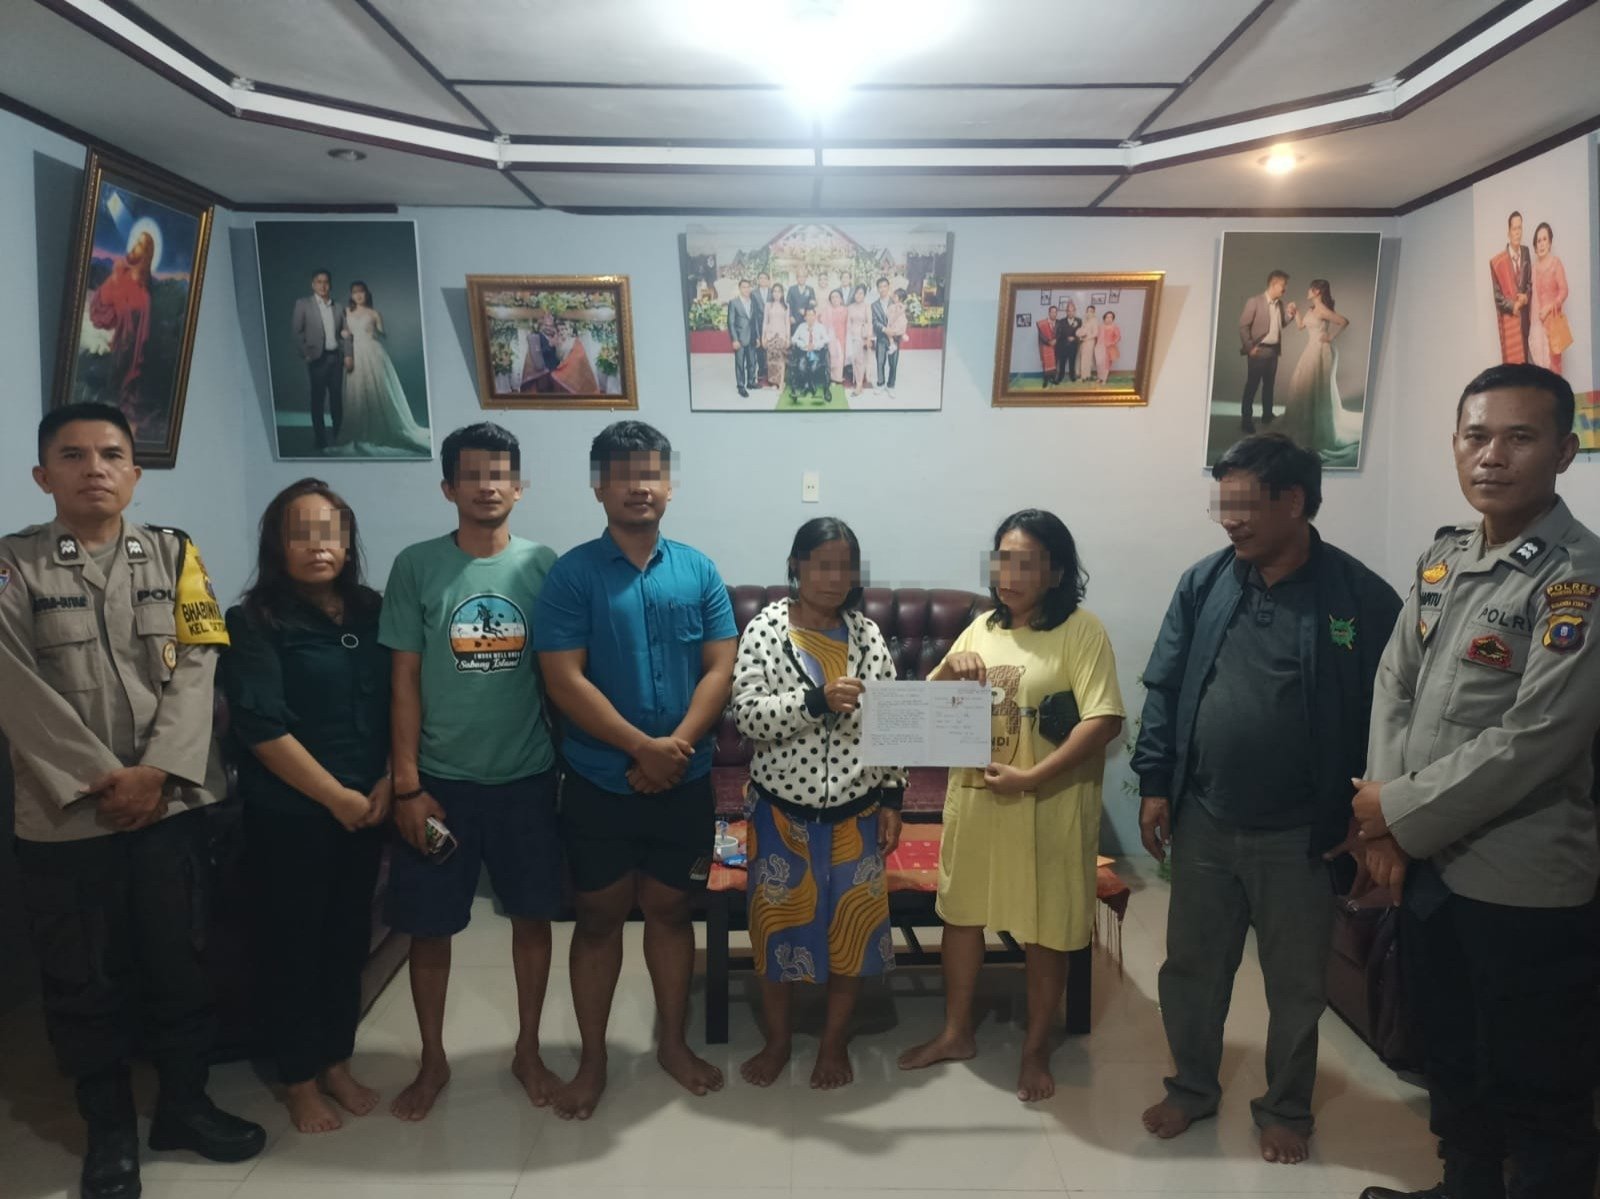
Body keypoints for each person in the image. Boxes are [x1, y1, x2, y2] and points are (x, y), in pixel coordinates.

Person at [0, 403, 264, 1199]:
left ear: (136, 472)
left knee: (180, 962)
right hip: (67, 816)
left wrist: (157, 771)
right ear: (42, 475)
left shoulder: (176, 554)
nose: (95, 469)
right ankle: (108, 1130)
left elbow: (199, 663)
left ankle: (184, 1104)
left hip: (168, 807)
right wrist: (101, 778)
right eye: (73, 455)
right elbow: (15, 686)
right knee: (84, 979)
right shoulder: (13, 565)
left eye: (112, 454)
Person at [1355, 363, 1600, 1199]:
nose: (1491, 455)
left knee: (1537, 1078)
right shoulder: (1446, 556)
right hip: (1431, 862)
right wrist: (1383, 816)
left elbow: (1539, 735)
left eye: (1519, 437)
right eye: (1476, 435)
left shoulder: (1576, 577)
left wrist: (1396, 809)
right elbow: (1395, 682)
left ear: (1564, 451)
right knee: (1452, 1051)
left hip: (1521, 875)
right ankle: (1463, 1186)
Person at [1131, 434, 1401, 1166]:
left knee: (1296, 985)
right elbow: (1164, 686)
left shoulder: (1360, 598)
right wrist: (1154, 783)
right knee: (1192, 969)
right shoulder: (1205, 582)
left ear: (1295, 501)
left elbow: (1395, 713)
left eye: (1245, 505)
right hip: (1205, 818)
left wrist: (1374, 817)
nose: (1230, 519)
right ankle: (1191, 1086)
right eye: (1223, 504)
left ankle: (1285, 1107)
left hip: (1303, 835)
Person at [535, 421, 737, 1120]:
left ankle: (672, 1044)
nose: (639, 486)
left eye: (651, 473)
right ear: (599, 487)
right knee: (598, 917)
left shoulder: (699, 570)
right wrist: (639, 748)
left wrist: (672, 746)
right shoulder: (572, 574)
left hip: (685, 777)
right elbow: (563, 679)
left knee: (671, 910)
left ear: (669, 485)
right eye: (622, 475)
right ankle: (593, 1060)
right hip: (599, 779)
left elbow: (720, 666)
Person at [898, 509, 1125, 1102]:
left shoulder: (1081, 632)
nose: (1009, 575)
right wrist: (950, 670)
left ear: (1057, 572)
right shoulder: (980, 629)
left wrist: (1030, 777)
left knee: (1045, 926)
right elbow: (924, 713)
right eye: (1002, 560)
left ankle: (1035, 1048)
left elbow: (1104, 719)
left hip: (1048, 803)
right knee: (962, 915)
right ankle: (956, 1032)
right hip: (976, 803)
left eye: (1025, 563)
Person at [378, 422, 563, 1121]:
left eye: (500, 473)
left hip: (527, 778)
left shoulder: (544, 565)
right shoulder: (416, 566)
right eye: (473, 474)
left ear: (520, 486)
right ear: (448, 487)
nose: (488, 486)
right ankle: (432, 1059)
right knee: (430, 929)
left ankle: (528, 1049)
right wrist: (406, 783)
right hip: (439, 785)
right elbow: (403, 680)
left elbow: (563, 676)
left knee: (533, 920)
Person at [223, 479, 392, 1133]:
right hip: (291, 814)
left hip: (368, 805)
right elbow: (261, 726)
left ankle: (337, 1061)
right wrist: (335, 796)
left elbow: (401, 699)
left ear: (347, 542)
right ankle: (298, 1078)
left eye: (330, 532)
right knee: (293, 946)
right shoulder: (253, 621)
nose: (318, 546)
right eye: (302, 533)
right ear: (277, 544)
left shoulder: (373, 610)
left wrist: (386, 780)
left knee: (347, 940)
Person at [733, 518, 906, 1089]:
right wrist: (815, 700)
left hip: (857, 812)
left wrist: (892, 798)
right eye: (823, 564)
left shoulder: (867, 636)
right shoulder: (766, 629)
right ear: (796, 566)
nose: (835, 577)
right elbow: (747, 716)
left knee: (852, 935)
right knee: (776, 929)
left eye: (845, 566)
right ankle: (778, 1041)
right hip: (781, 813)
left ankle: (833, 1044)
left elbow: (891, 723)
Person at [329, 282, 430, 456]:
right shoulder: (346, 312)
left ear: (366, 294)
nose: (358, 295)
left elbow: (382, 334)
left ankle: (379, 427)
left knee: (378, 389)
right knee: (356, 390)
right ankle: (358, 427)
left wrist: (378, 332)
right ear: (351, 295)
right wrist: (343, 337)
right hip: (353, 353)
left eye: (361, 292)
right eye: (355, 292)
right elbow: (339, 333)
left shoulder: (374, 313)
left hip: (372, 351)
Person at [86, 230, 154, 434]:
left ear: (146, 254)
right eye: (135, 242)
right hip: (109, 342)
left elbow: (141, 337)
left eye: (140, 245)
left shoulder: (144, 297)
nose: (134, 247)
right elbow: (100, 312)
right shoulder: (119, 275)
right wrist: (114, 282)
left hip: (127, 355)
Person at [1286, 279, 1355, 458]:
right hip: (1311, 349)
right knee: (1303, 384)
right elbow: (1301, 327)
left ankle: (1317, 430)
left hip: (1322, 350)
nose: (1308, 291)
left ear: (1317, 291)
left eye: (1311, 289)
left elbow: (1344, 321)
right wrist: (1296, 313)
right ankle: (1306, 426)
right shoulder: (1311, 310)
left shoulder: (1323, 310)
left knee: (1317, 387)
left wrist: (1331, 337)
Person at [291, 268, 351, 452]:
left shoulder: (338, 307)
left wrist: (348, 354)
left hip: (336, 358)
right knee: (317, 399)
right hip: (317, 359)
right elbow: (296, 332)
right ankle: (320, 438)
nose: (322, 285)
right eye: (319, 282)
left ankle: (339, 435)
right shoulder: (303, 304)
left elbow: (346, 334)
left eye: (326, 282)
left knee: (337, 399)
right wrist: (306, 354)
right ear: (313, 284)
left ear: (330, 285)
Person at [1238, 270, 1294, 432]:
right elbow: (1243, 326)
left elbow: (1280, 324)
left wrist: (1289, 315)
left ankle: (1267, 415)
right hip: (1258, 351)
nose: (1285, 289)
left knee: (1269, 386)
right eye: (1283, 285)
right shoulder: (1254, 302)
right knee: (1252, 386)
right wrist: (1250, 348)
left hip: (1273, 352)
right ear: (1273, 284)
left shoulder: (1280, 304)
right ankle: (1246, 420)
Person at [1490, 210, 1534, 365]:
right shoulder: (1498, 262)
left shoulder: (1526, 252)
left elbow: (1529, 283)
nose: (1518, 232)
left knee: (1527, 368)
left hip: (1525, 322)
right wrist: (1513, 306)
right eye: (1514, 228)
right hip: (1511, 323)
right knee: (1513, 371)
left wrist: (1526, 297)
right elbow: (1498, 298)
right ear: (1508, 232)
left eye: (1520, 228)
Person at [1529, 221, 1571, 376]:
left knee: (1554, 370)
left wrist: (1550, 307)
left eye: (1544, 239)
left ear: (1550, 242)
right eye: (1538, 241)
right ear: (1535, 245)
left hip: (1553, 325)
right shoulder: (1533, 269)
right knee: (1540, 373)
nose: (1541, 244)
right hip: (1537, 327)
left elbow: (1564, 290)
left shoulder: (1555, 264)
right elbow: (1532, 299)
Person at [790, 304, 832, 400]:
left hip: (816, 353)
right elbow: (793, 339)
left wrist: (815, 345)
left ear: (815, 316)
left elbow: (827, 339)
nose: (810, 317)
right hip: (804, 352)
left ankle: (810, 385)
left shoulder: (820, 327)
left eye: (812, 315)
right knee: (801, 367)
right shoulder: (801, 326)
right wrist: (803, 345)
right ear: (805, 317)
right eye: (808, 315)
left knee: (813, 367)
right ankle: (808, 385)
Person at [727, 278, 760, 398]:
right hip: (740, 339)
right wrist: (734, 339)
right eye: (744, 287)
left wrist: (757, 337)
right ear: (740, 288)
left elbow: (755, 321)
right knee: (740, 363)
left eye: (748, 287)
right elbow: (730, 323)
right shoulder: (734, 302)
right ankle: (741, 386)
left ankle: (751, 382)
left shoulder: (753, 301)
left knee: (752, 362)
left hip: (752, 337)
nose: (746, 289)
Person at [762, 283, 791, 395]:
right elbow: (765, 322)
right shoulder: (768, 305)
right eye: (775, 291)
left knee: (780, 359)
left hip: (781, 335)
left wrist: (788, 338)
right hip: (770, 336)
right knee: (771, 360)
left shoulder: (786, 305)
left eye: (779, 291)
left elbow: (787, 323)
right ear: (772, 293)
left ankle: (781, 382)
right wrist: (763, 337)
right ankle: (774, 382)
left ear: (782, 293)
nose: (777, 293)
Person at [870, 277, 898, 394]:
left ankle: (891, 385)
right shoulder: (874, 305)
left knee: (893, 362)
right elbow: (874, 321)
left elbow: (900, 318)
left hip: (894, 338)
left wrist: (894, 330)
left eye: (884, 286)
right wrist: (885, 329)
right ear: (877, 289)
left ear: (888, 287)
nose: (882, 289)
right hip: (881, 337)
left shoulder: (895, 302)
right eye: (880, 287)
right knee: (880, 361)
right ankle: (880, 383)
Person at [845, 283, 873, 397]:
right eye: (857, 293)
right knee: (854, 360)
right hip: (851, 336)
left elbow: (869, 323)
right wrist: (847, 337)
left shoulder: (867, 306)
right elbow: (848, 323)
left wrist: (869, 338)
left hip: (862, 336)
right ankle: (857, 381)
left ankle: (859, 385)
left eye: (861, 293)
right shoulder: (850, 307)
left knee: (860, 361)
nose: (858, 295)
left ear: (864, 295)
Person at [823, 288, 850, 391]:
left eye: (837, 297)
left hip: (842, 336)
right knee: (831, 357)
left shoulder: (845, 310)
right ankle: (831, 378)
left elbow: (848, 324)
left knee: (840, 357)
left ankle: (838, 378)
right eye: (832, 297)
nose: (835, 299)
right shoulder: (827, 310)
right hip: (830, 337)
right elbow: (823, 324)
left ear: (841, 299)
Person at [1055, 300, 1082, 385]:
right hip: (1063, 346)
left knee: (1072, 362)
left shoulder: (1079, 321)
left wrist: (1074, 338)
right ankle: (1060, 376)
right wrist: (1066, 338)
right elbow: (1058, 334)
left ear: (1075, 311)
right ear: (1066, 312)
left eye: (1072, 311)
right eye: (1069, 311)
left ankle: (1072, 376)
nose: (1070, 313)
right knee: (1062, 363)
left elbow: (1081, 333)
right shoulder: (1061, 321)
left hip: (1073, 346)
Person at [753, 271, 772, 387]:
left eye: (765, 278)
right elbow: (753, 312)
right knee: (760, 349)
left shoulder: (773, 292)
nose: (763, 280)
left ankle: (771, 373)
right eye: (761, 278)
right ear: (758, 280)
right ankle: (761, 373)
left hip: (771, 324)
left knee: (770, 348)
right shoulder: (753, 293)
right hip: (759, 324)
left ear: (768, 280)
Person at [787, 268, 817, 335]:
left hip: (806, 320)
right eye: (799, 276)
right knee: (794, 337)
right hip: (794, 319)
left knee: (806, 337)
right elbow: (788, 304)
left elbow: (812, 304)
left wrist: (805, 311)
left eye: (803, 276)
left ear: (806, 278)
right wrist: (790, 316)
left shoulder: (810, 289)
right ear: (796, 278)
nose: (801, 279)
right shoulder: (791, 289)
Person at [1095, 309, 1121, 383]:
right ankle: (1099, 377)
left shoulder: (1114, 327)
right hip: (1099, 347)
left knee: (1106, 364)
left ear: (1113, 319)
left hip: (1108, 348)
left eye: (1111, 317)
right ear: (1104, 318)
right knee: (1099, 363)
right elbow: (1097, 336)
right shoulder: (1100, 326)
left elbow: (1118, 337)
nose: (1109, 319)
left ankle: (1104, 379)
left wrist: (1111, 343)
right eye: (1107, 317)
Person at [1076, 305, 1101, 383]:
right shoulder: (1086, 320)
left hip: (1090, 342)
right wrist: (1080, 336)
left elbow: (1095, 333)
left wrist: (1086, 338)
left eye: (1091, 311)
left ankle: (1084, 377)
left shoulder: (1095, 320)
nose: (1089, 313)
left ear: (1094, 312)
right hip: (1083, 342)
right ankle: (1086, 375)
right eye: (1088, 311)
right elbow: (1082, 330)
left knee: (1086, 360)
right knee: (1083, 359)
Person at [1038, 305, 1059, 385]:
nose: (1054, 314)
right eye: (1052, 312)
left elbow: (1060, 333)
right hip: (1046, 346)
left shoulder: (1059, 322)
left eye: (1055, 312)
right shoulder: (1042, 323)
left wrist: (1056, 340)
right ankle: (1046, 380)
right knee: (1046, 364)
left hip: (1055, 347)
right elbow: (1041, 335)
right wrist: (1048, 342)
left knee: (1054, 363)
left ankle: (1053, 378)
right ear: (1049, 313)